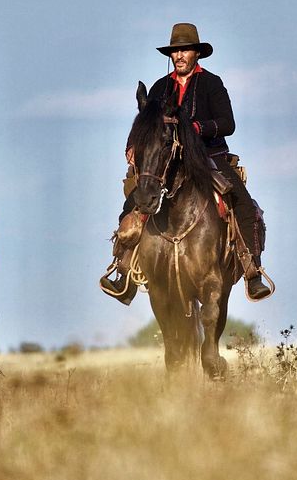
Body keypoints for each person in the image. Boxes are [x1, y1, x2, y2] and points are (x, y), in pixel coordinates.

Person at [100, 22, 273, 304]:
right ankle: (124, 271)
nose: (179, 55)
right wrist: (132, 147)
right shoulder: (159, 88)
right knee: (134, 200)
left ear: (197, 54)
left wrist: (195, 128)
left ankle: (252, 269)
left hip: (209, 156)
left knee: (243, 202)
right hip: (166, 159)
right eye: (175, 50)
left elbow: (227, 124)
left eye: (185, 50)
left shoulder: (212, 84)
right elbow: (144, 125)